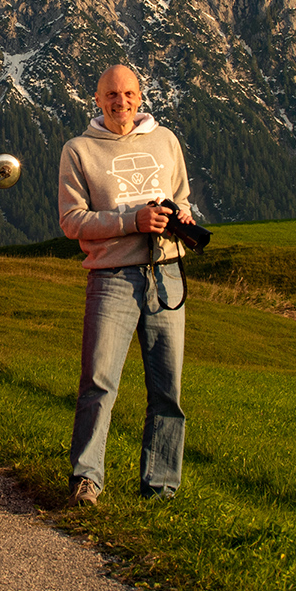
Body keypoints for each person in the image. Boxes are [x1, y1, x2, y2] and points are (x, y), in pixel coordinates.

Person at [57, 63, 197, 506]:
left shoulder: (166, 140)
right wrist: (131, 220)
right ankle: (86, 480)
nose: (122, 102)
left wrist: (183, 218)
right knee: (98, 382)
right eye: (112, 95)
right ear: (97, 100)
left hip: (167, 273)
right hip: (112, 278)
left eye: (129, 94)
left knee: (167, 388)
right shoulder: (79, 150)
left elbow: (182, 196)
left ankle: (160, 488)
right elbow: (71, 221)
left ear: (141, 97)